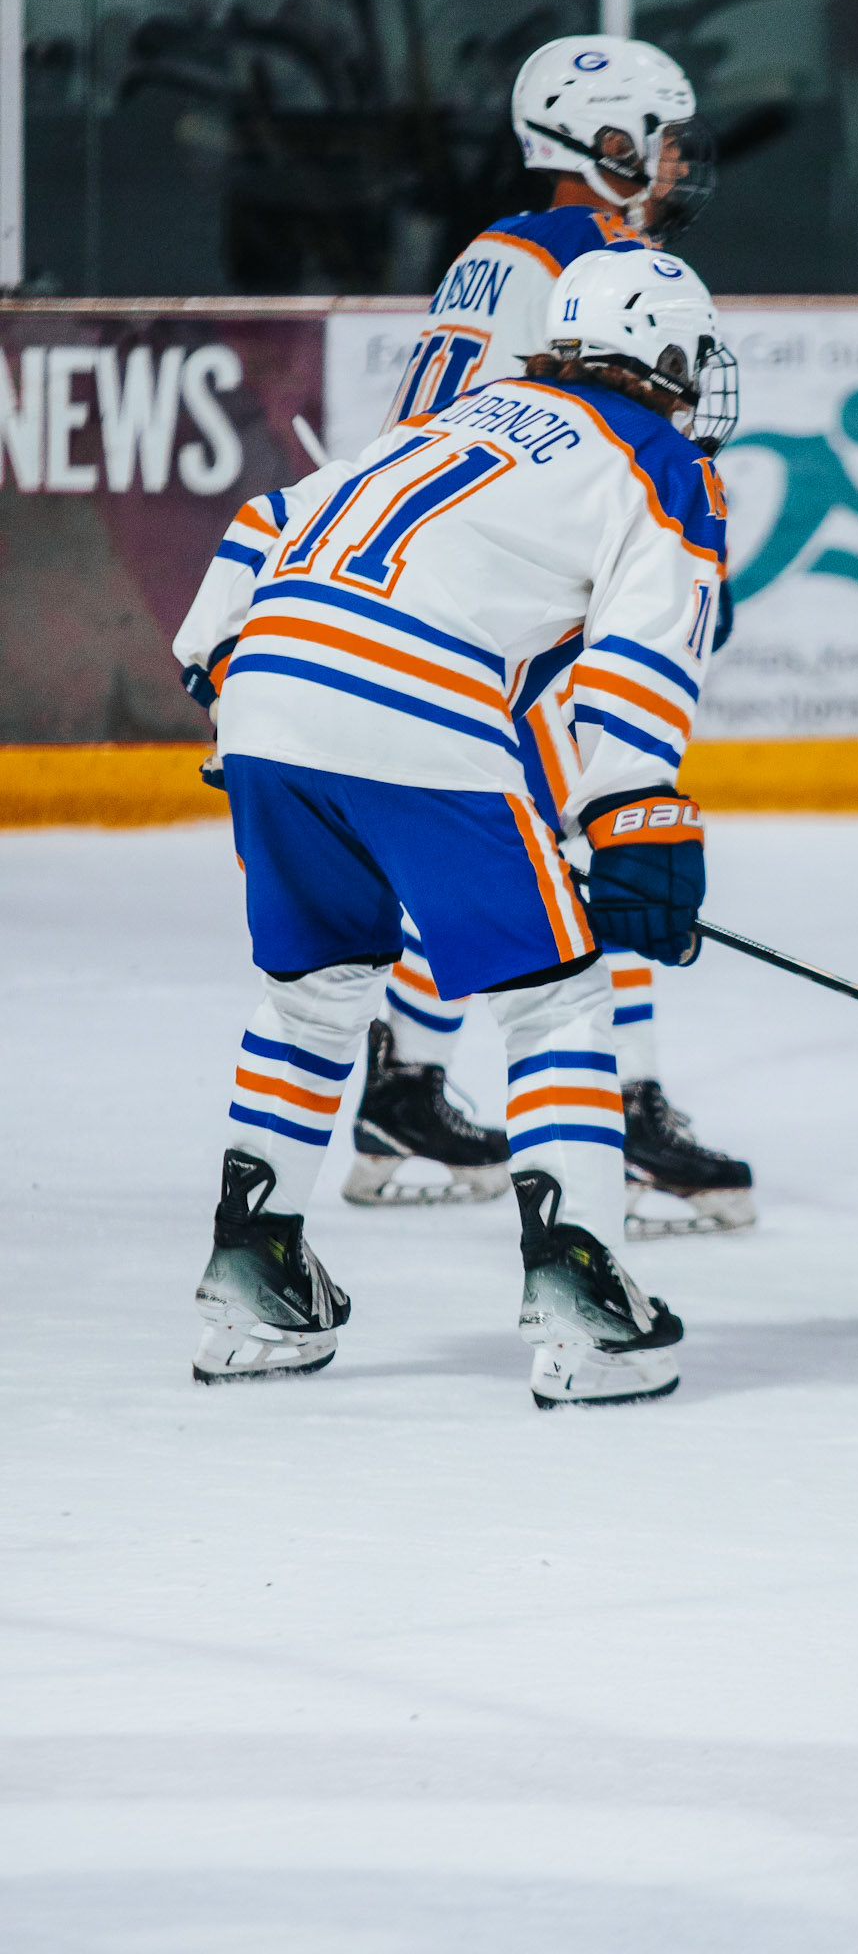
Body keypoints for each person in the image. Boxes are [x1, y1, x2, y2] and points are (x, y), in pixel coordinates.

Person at [174, 245, 735, 1404]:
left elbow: (264, 517)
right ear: (665, 355)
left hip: (268, 685)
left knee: (314, 993)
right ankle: (583, 1298)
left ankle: (253, 1272)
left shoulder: (460, 414)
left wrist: (223, 662)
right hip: (417, 701)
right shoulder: (660, 458)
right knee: (557, 995)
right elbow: (642, 645)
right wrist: (635, 807)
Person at [347, 32, 755, 1237]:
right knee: (607, 831)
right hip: (526, 596)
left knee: (523, 838)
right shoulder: (600, 260)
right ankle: (623, 1112)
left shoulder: (496, 248)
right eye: (660, 139)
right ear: (605, 142)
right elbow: (627, 437)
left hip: (449, 581)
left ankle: (408, 1088)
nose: (677, 163)